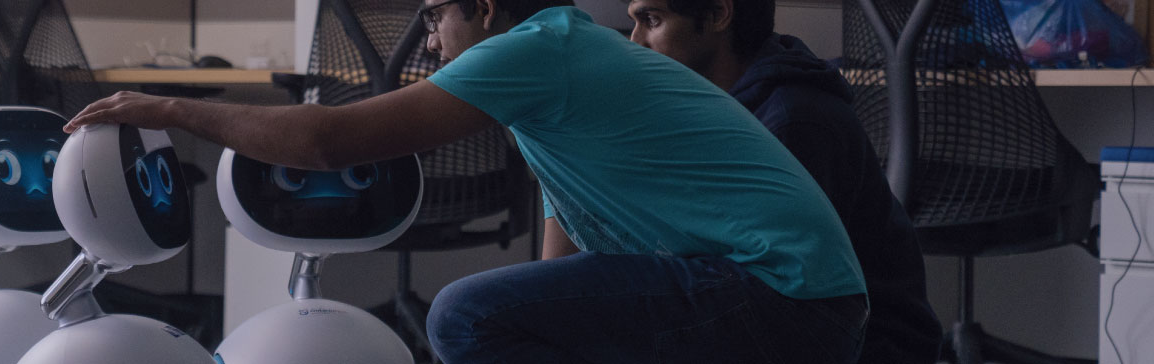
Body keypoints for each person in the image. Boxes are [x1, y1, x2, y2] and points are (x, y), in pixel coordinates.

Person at [65, 0, 867, 362]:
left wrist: (171, 105)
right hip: (795, 296)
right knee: (510, 310)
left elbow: (325, 139)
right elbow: (566, 225)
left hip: (780, 294)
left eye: (433, 16)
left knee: (466, 315)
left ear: (483, 10)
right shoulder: (565, 59)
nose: (424, 39)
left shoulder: (532, 51)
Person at [624, 0, 943, 361]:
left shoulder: (793, 122)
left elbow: (774, 303)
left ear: (718, 14)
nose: (636, 41)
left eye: (652, 20)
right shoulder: (716, 110)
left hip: (871, 348)